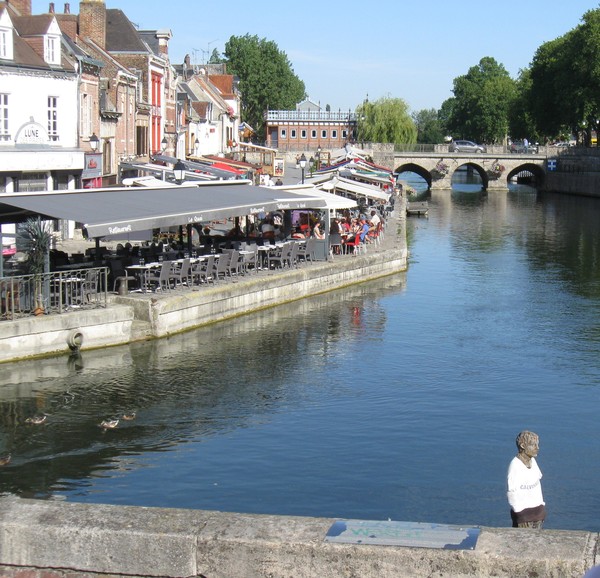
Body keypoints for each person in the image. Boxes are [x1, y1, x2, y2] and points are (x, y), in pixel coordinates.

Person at [507, 430, 546, 528]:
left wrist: (541, 505)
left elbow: (538, 477)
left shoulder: (533, 461)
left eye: (537, 444)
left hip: (538, 513)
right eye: (533, 445)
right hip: (524, 517)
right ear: (523, 446)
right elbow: (511, 491)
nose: (537, 448)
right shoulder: (515, 466)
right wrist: (519, 512)